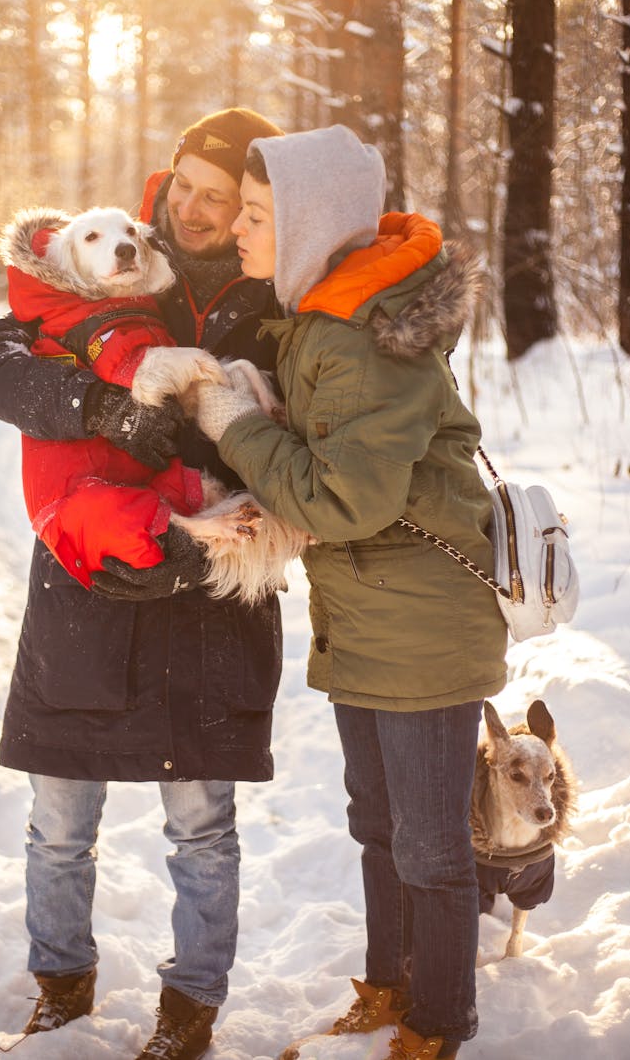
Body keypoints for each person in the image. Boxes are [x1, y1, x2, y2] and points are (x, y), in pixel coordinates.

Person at [0, 107, 285, 1060]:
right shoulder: (89, 260)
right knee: (60, 822)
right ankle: (60, 990)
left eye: (217, 200)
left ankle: (191, 1011)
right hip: (84, 582)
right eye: (182, 184)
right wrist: (97, 401)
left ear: (252, 209)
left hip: (211, 585)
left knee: (203, 827)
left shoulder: (274, 291)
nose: (190, 208)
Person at [193, 124, 509, 1060]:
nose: (240, 232)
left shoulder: (357, 339)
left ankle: (439, 1020)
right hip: (372, 618)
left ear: (309, 224)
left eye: (256, 215)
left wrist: (238, 425)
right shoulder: (324, 317)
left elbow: (345, 497)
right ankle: (390, 984)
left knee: (431, 845)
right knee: (380, 825)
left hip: (420, 627)